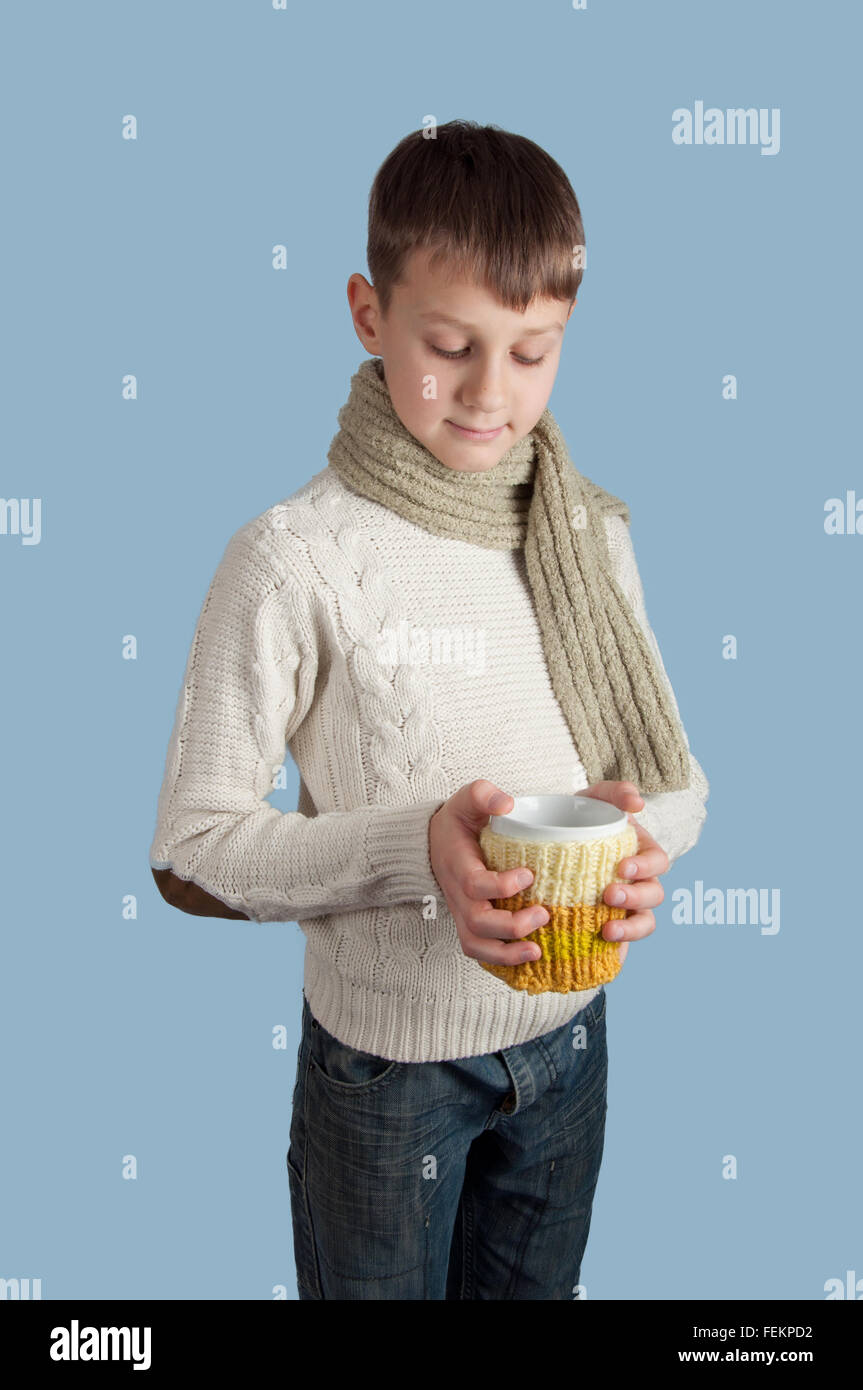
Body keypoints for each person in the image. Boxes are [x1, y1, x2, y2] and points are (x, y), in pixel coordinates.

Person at [149, 120, 709, 1300]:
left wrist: (639, 839)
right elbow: (190, 852)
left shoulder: (584, 531)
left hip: (568, 1049)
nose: (487, 394)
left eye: (532, 351)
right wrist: (418, 850)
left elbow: (670, 778)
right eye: (448, 344)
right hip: (386, 1074)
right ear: (367, 314)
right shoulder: (293, 559)